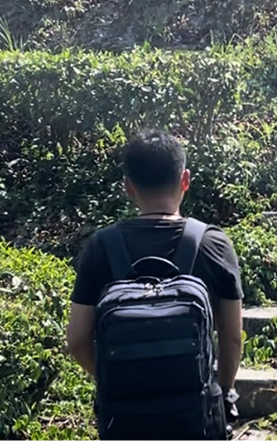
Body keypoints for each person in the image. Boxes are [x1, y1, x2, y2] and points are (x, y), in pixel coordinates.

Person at [67, 130, 245, 439]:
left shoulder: (101, 246)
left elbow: (77, 340)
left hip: (125, 416)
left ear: (129, 188)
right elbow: (231, 338)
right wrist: (223, 391)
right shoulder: (213, 243)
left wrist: (117, 379)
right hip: (195, 413)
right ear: (185, 180)